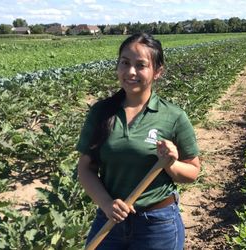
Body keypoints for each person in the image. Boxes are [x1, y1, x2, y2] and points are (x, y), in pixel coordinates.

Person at [77, 33, 200, 250]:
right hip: (109, 220)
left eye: (140, 65)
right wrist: (106, 204)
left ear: (157, 72)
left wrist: (171, 163)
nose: (131, 72)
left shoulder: (173, 116)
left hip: (157, 224)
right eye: (125, 63)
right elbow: (86, 169)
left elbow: (192, 172)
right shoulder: (101, 113)